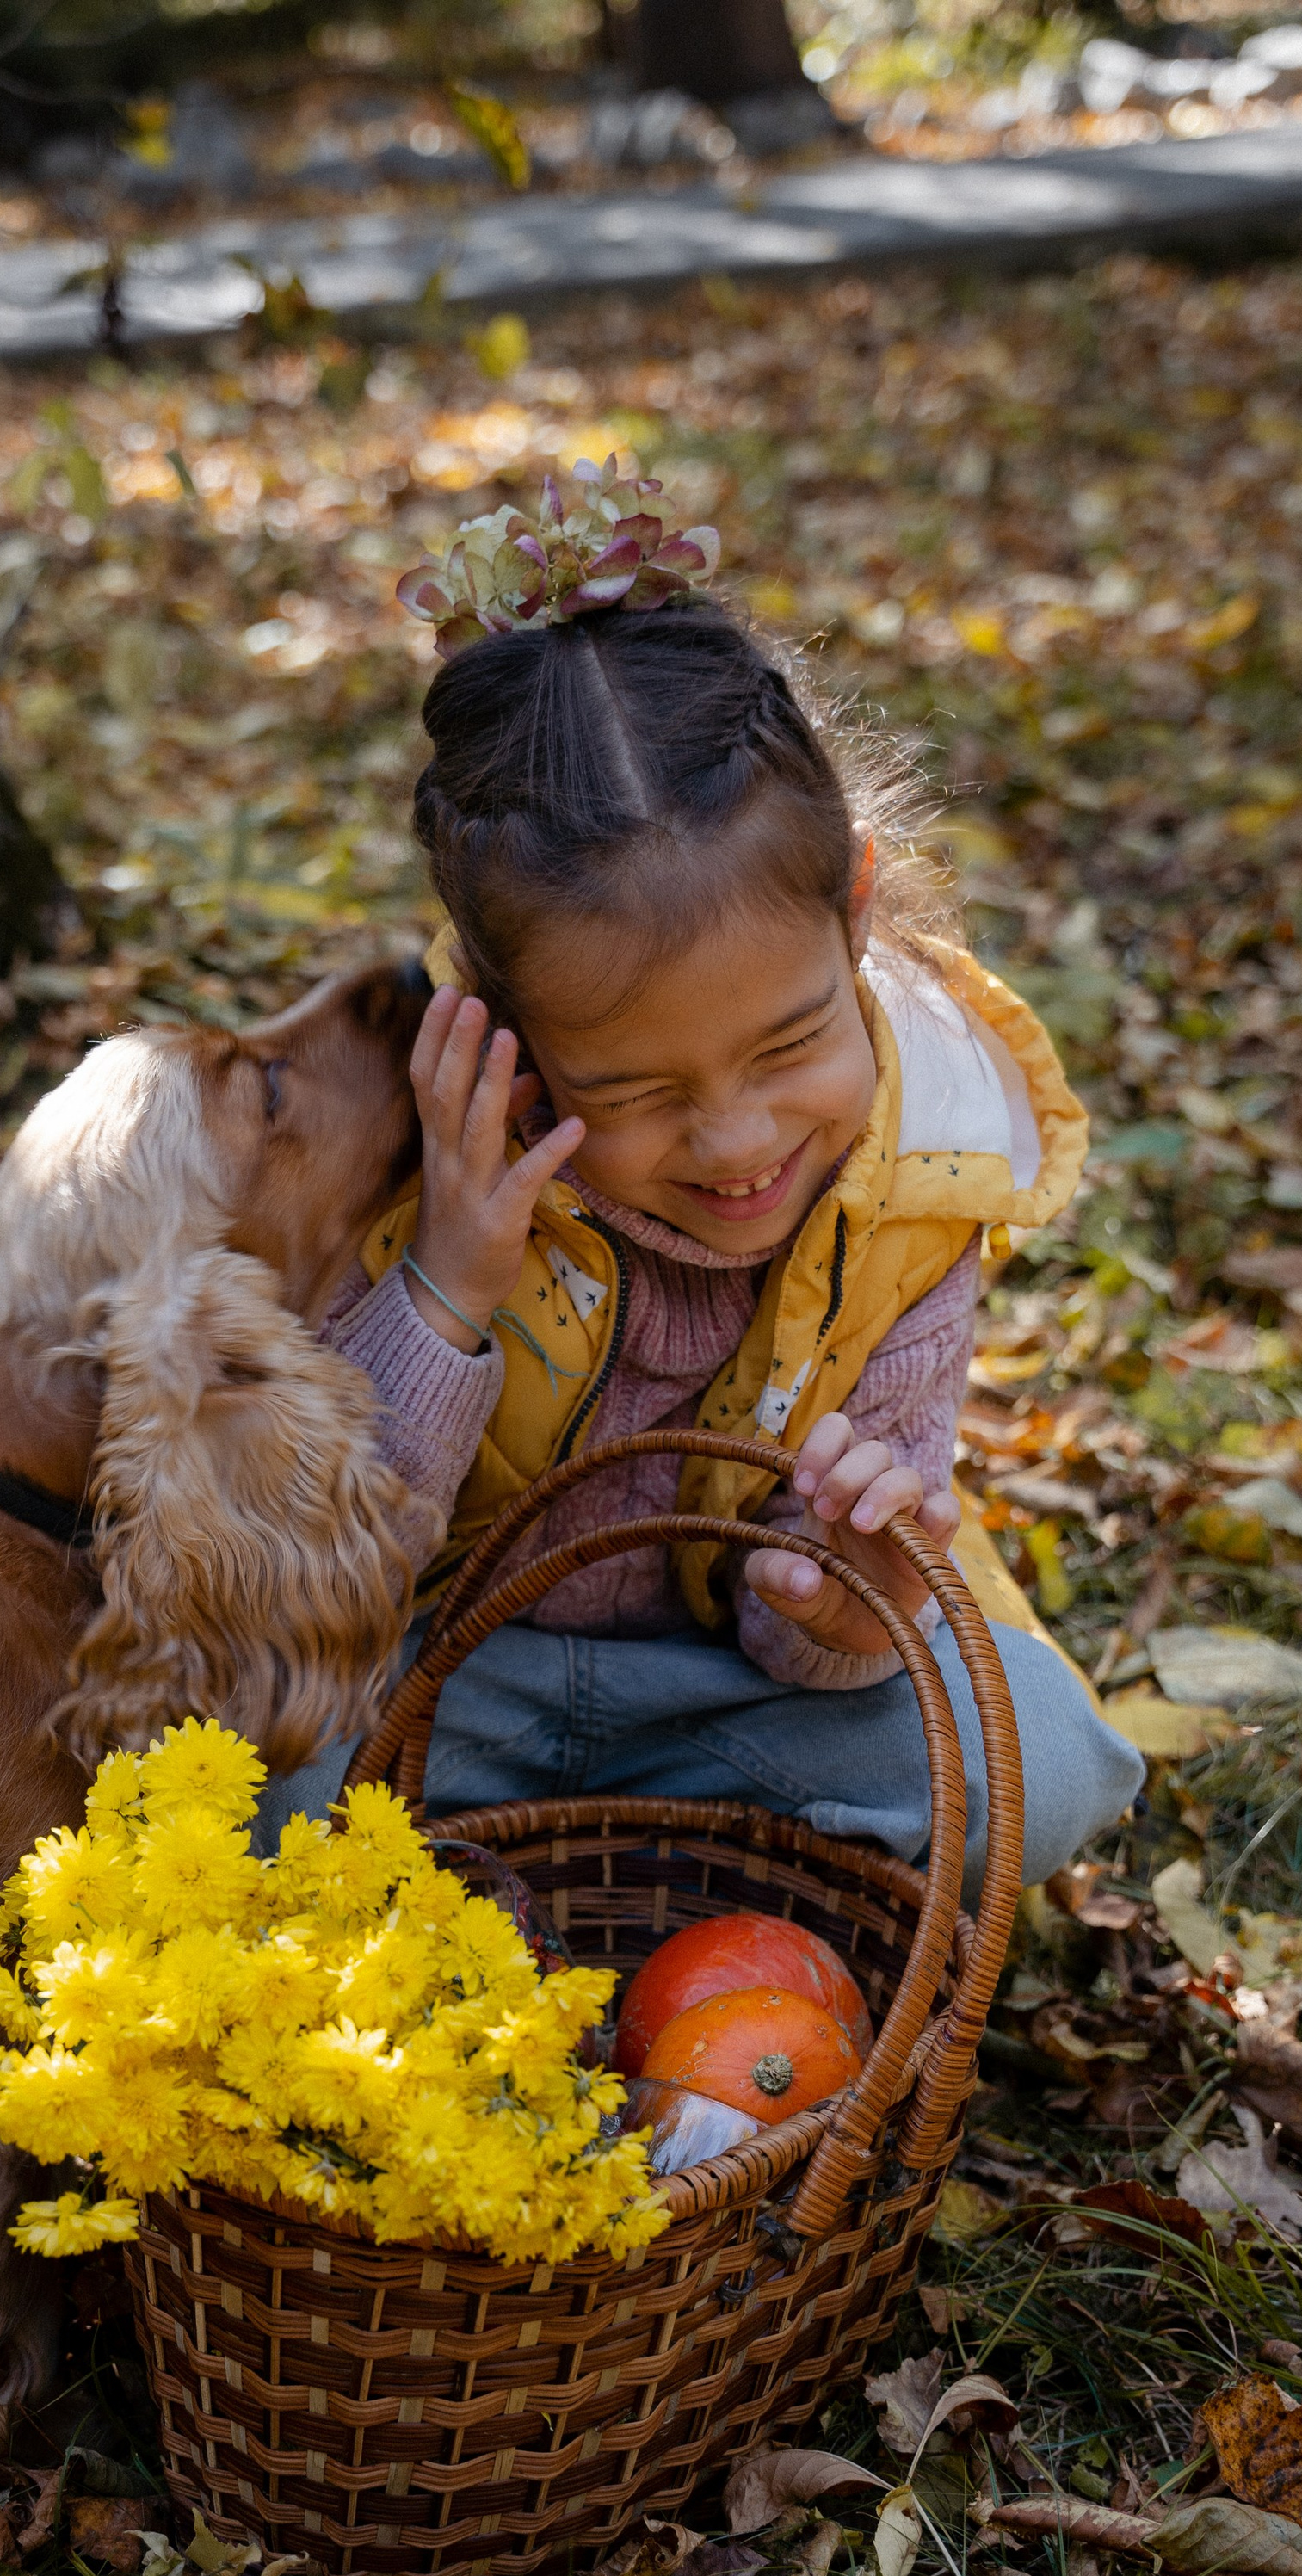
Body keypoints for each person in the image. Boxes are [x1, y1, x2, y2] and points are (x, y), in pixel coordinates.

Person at [256, 462, 1143, 1898]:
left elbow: (818, 1630)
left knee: (1034, 1768)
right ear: (505, 1022)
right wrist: (444, 1290)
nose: (735, 1144)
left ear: (856, 909)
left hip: (721, 1702)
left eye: (790, 1045)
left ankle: (644, 1875)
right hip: (432, 1685)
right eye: (636, 1093)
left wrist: (847, 1595)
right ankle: (613, 1875)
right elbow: (312, 1575)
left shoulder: (920, 1178)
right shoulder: (404, 1140)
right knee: (211, 1778)